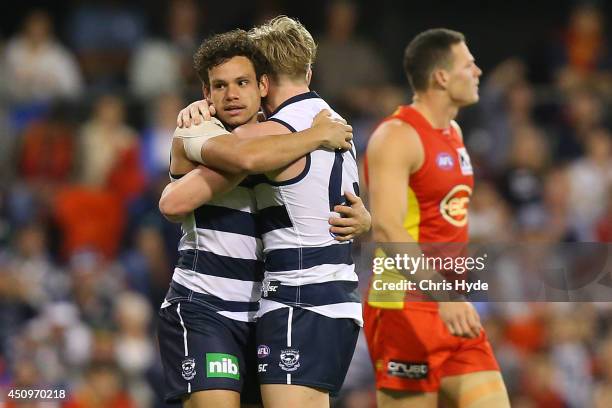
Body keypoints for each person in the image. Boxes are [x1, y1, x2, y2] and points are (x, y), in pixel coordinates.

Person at [157, 29, 368, 408]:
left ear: (263, 85)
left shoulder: (267, 135)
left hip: (261, 308)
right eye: (219, 86)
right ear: (206, 94)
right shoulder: (198, 129)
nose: (231, 94)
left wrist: (364, 218)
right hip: (205, 306)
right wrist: (315, 135)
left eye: (241, 82)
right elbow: (174, 203)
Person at [363, 28, 511, 407]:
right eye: (468, 64)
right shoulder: (396, 136)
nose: (478, 71)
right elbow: (387, 228)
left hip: (451, 308)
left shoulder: (454, 132)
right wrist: (443, 293)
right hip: (404, 306)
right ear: (441, 76)